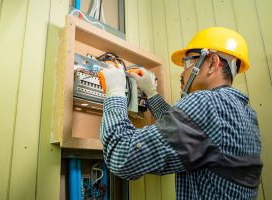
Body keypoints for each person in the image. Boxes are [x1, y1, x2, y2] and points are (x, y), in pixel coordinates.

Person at [98, 27, 262, 199]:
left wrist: (115, 93)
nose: (183, 73)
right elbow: (184, 134)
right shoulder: (247, 113)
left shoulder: (207, 103)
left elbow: (122, 157)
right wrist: (151, 93)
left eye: (187, 62)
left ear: (213, 63)